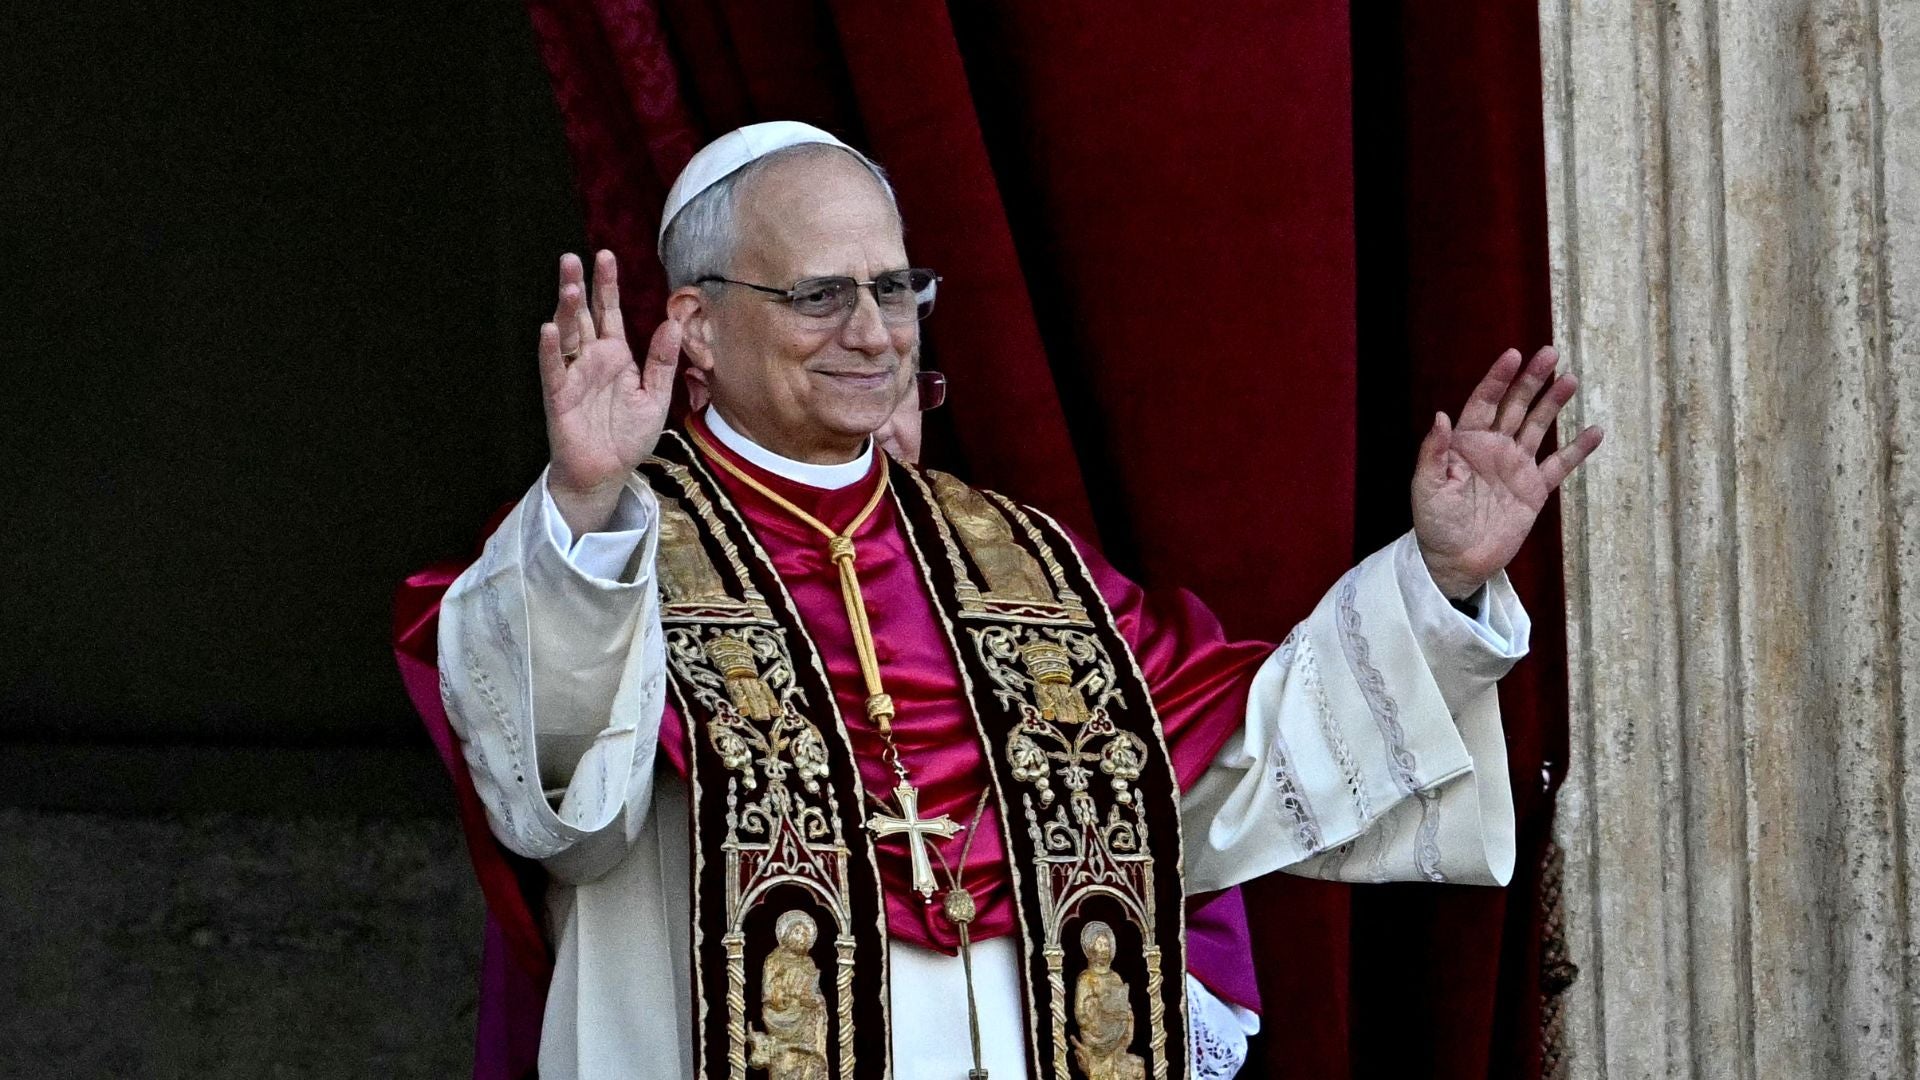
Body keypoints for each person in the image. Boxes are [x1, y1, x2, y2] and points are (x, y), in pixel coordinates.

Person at [436, 122, 1602, 1080]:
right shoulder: (612, 548)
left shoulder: (1022, 562)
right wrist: (585, 503)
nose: (873, 333)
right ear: (695, 328)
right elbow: (567, 822)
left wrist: (1439, 579)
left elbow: (1234, 769)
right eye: (819, 296)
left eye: (895, 290)